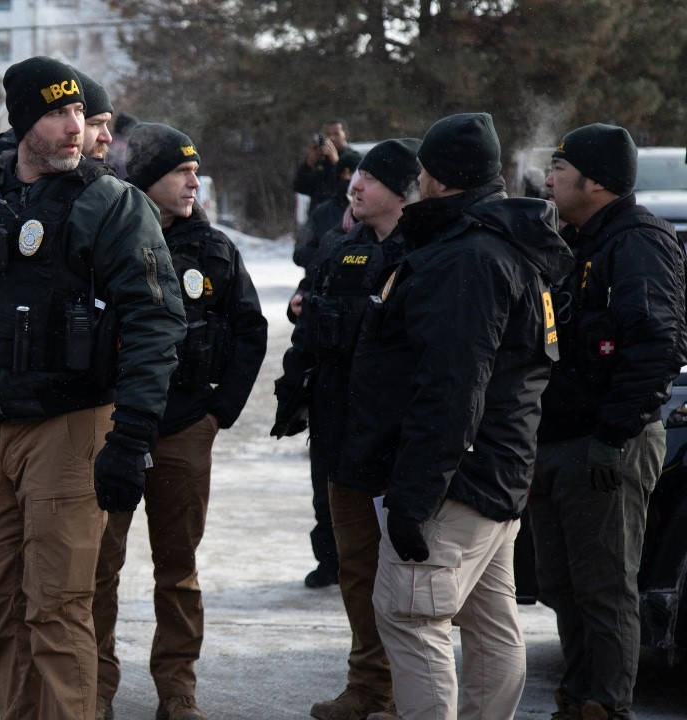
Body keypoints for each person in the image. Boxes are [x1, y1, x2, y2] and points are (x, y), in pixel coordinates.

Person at [0, 56, 186, 719]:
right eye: (58, 113)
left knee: (56, 606)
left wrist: (131, 434)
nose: (76, 126)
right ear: (24, 122)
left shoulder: (110, 204)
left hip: (70, 425)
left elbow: (156, 321)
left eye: (79, 111)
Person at [337, 112, 573, 720]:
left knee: (411, 614)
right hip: (497, 471)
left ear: (441, 178)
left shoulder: (467, 257)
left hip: (457, 482)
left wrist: (414, 496)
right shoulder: (503, 243)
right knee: (490, 621)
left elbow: (452, 388)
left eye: (423, 169)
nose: (417, 179)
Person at [93, 123, 266, 720]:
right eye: (181, 172)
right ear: (147, 180)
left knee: (178, 568)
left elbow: (250, 331)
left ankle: (177, 689)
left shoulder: (215, 250)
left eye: (196, 171)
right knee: (98, 567)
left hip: (185, 426)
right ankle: (95, 688)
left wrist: (218, 413)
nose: (195, 181)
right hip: (112, 428)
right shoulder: (108, 238)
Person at [531, 124, 687, 720]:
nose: (548, 181)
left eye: (560, 170)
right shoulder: (575, 242)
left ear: (595, 182)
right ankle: (576, 699)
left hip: (607, 444)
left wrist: (612, 435)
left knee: (604, 586)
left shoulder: (638, 243)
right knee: (561, 584)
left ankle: (605, 705)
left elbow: (656, 346)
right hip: (560, 440)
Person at [273, 139, 422, 720]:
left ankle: (411, 694)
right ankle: (368, 685)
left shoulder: (429, 254)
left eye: (370, 179)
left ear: (404, 191)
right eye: (356, 175)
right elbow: (307, 331)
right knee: (357, 570)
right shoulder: (340, 250)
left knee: (410, 581)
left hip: (401, 445)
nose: (355, 186)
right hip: (342, 440)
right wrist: (293, 398)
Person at [294, 119, 351, 207]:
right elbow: (300, 187)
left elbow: (351, 188)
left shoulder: (351, 157)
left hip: (341, 210)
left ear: (346, 135)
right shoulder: (321, 159)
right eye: (328, 134)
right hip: (319, 211)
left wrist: (337, 163)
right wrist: (308, 164)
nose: (332, 138)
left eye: (336, 134)